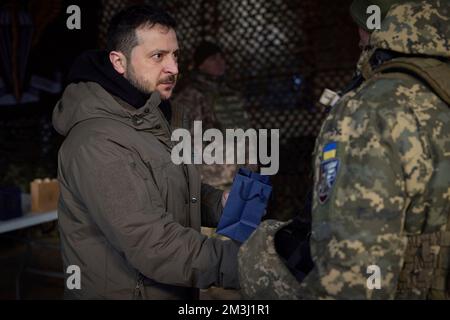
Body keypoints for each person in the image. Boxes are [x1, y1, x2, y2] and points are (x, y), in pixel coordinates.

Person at [238, 0, 450, 299]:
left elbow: (357, 282)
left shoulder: (370, 111)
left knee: (259, 252)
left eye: (361, 26)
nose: (357, 36)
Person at [52, 4, 240, 299]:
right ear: (119, 62)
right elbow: (155, 245)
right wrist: (250, 262)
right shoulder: (97, 143)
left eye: (175, 55)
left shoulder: (151, 116)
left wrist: (222, 204)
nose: (174, 68)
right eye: (158, 56)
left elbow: (170, 188)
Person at [171, 41, 251, 190]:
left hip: (242, 175)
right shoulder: (190, 96)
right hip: (214, 179)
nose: (220, 62)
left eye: (221, 57)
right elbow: (181, 138)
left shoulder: (231, 92)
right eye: (213, 58)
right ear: (200, 65)